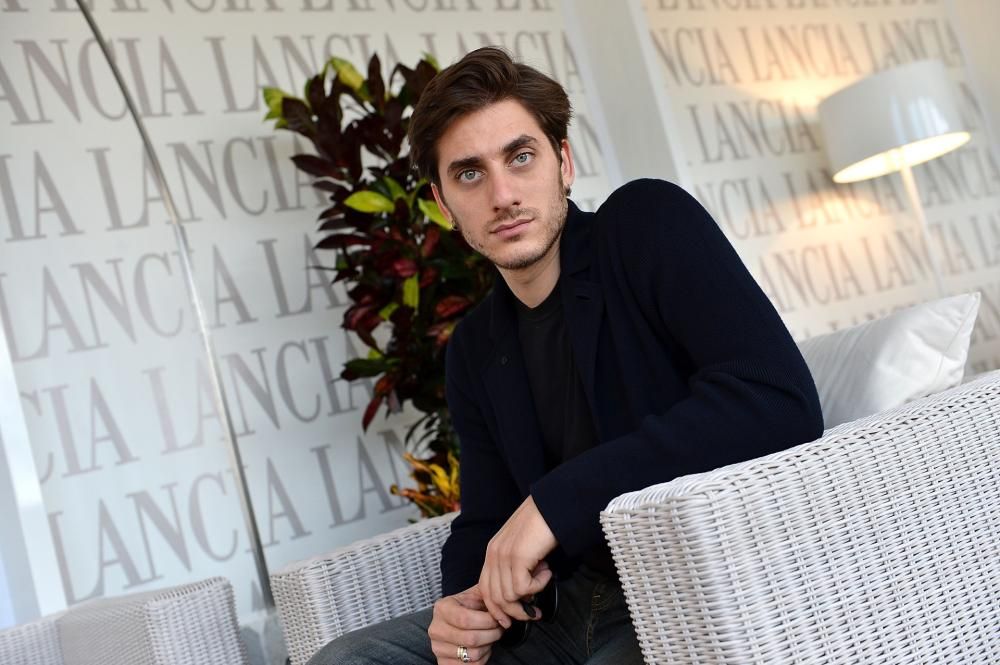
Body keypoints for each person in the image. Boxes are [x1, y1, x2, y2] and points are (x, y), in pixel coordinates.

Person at [308, 46, 823, 665]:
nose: (502, 194)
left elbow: (776, 399)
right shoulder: (473, 346)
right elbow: (487, 518)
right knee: (346, 659)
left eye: (520, 157)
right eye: (470, 174)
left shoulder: (645, 224)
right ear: (444, 205)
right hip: (554, 612)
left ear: (564, 162)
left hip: (684, 582)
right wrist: (462, 610)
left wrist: (556, 504)